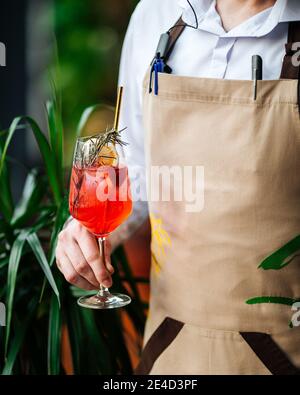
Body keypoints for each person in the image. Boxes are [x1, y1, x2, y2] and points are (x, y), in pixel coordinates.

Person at [56, 0, 300, 374]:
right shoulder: (155, 14)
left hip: (286, 353)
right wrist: (91, 229)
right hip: (169, 348)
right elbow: (136, 167)